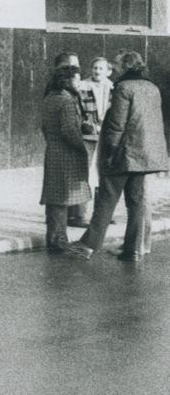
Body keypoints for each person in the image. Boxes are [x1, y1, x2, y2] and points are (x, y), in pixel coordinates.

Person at [72, 51, 168, 261]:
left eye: (116, 65)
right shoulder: (152, 87)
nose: (114, 69)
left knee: (107, 199)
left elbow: (116, 124)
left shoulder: (124, 88)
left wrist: (110, 152)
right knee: (136, 202)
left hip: (124, 153)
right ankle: (133, 249)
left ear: (126, 67)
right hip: (145, 154)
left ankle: (88, 246)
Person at [39, 64, 90, 253]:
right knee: (63, 196)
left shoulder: (50, 97)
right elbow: (69, 130)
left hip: (52, 150)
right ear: (66, 81)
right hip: (66, 152)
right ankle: (59, 240)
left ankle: (54, 237)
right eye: (76, 79)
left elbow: (44, 127)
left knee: (54, 195)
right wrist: (81, 147)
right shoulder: (67, 101)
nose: (79, 82)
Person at [76, 55, 112, 228]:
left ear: (108, 71)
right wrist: (89, 125)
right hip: (88, 136)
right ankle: (80, 214)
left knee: (103, 173)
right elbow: (79, 111)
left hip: (106, 136)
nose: (97, 71)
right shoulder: (82, 86)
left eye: (101, 68)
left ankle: (102, 214)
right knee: (85, 173)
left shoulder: (113, 88)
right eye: (95, 68)